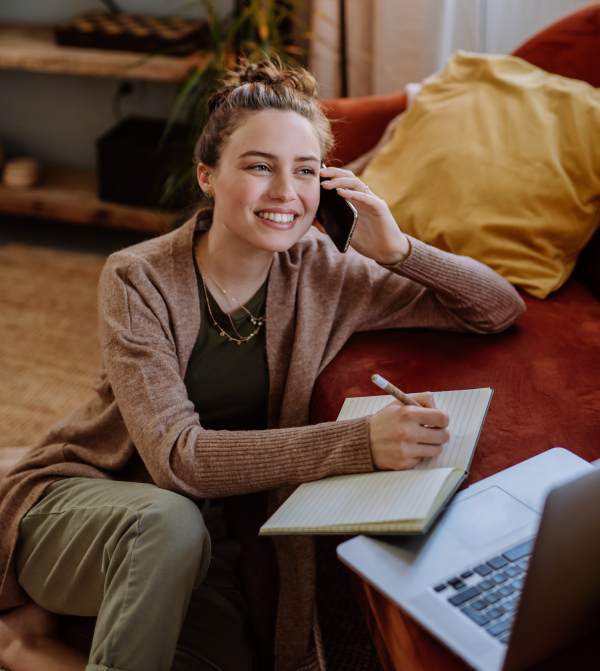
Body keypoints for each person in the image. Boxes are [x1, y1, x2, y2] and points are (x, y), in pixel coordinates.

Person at [0, 61, 525, 671]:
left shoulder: (327, 274)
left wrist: (399, 250)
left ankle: (23, 646)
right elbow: (178, 460)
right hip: (90, 506)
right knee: (168, 526)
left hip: (213, 538)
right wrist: (359, 443)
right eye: (258, 166)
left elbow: (496, 309)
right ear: (208, 176)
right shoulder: (137, 277)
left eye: (304, 171)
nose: (285, 192)